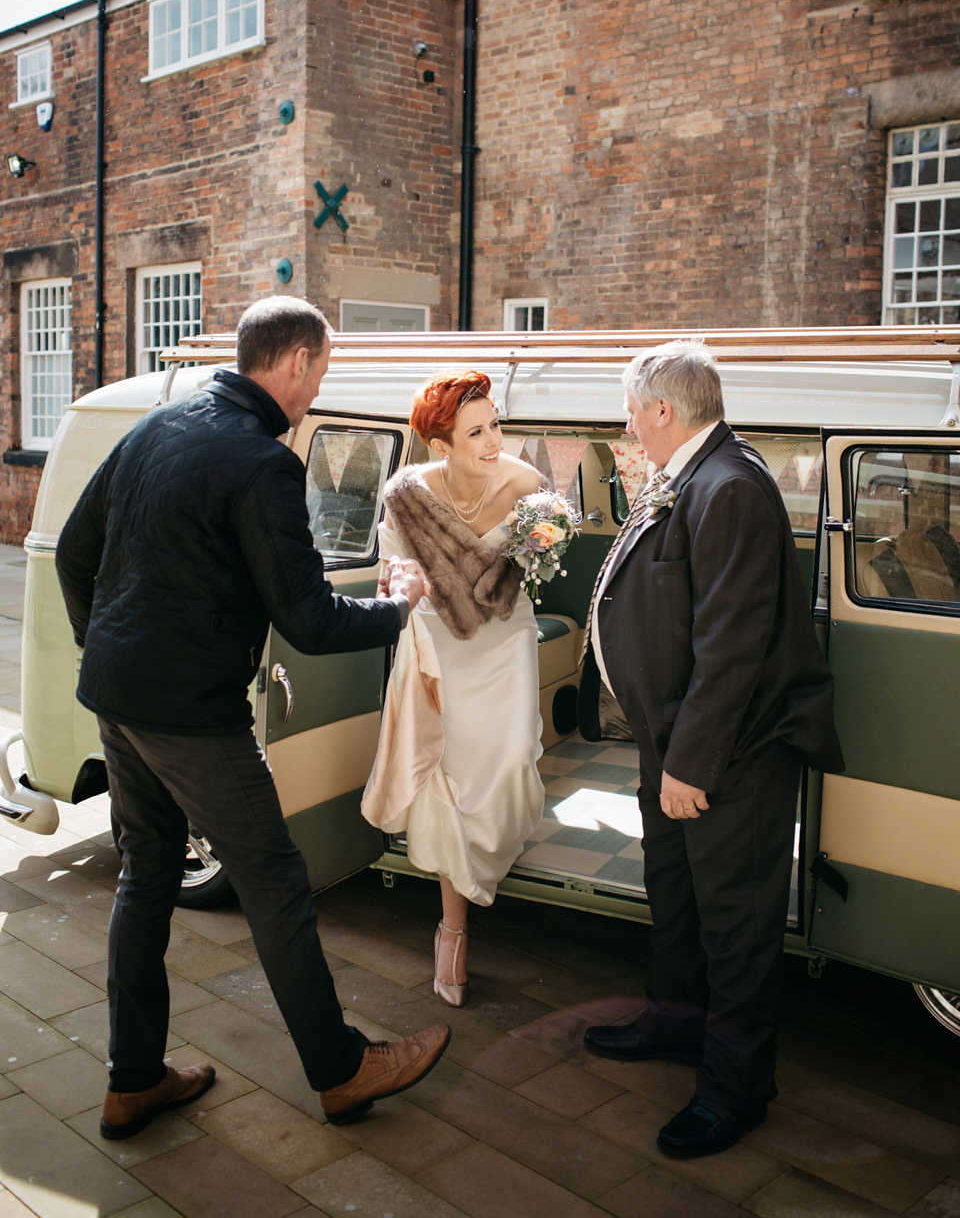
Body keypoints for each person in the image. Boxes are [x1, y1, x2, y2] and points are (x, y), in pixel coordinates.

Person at [55, 296, 450, 1140]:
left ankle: (132, 1080)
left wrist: (111, 652)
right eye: (323, 373)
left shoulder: (156, 428)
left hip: (119, 701)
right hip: (191, 713)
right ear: (298, 364)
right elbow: (309, 620)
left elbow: (76, 552)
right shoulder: (264, 462)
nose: (317, 390)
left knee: (147, 874)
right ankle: (342, 1071)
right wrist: (398, 609)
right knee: (274, 881)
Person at [578, 340, 843, 1159]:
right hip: (676, 737)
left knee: (736, 922)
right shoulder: (687, 472)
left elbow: (730, 643)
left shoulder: (729, 485)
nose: (628, 422)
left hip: (730, 753)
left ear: (663, 409)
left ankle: (734, 1089)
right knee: (678, 893)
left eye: (632, 408)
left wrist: (691, 763)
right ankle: (673, 1020)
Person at [361, 369, 545, 1005]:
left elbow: (534, 569)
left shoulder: (529, 487)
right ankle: (452, 930)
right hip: (442, 643)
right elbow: (395, 580)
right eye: (477, 431)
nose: (495, 439)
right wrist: (403, 587)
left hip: (506, 637)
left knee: (516, 755)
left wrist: (543, 545)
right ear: (441, 446)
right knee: (449, 778)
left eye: (496, 423)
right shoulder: (406, 497)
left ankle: (492, 856)